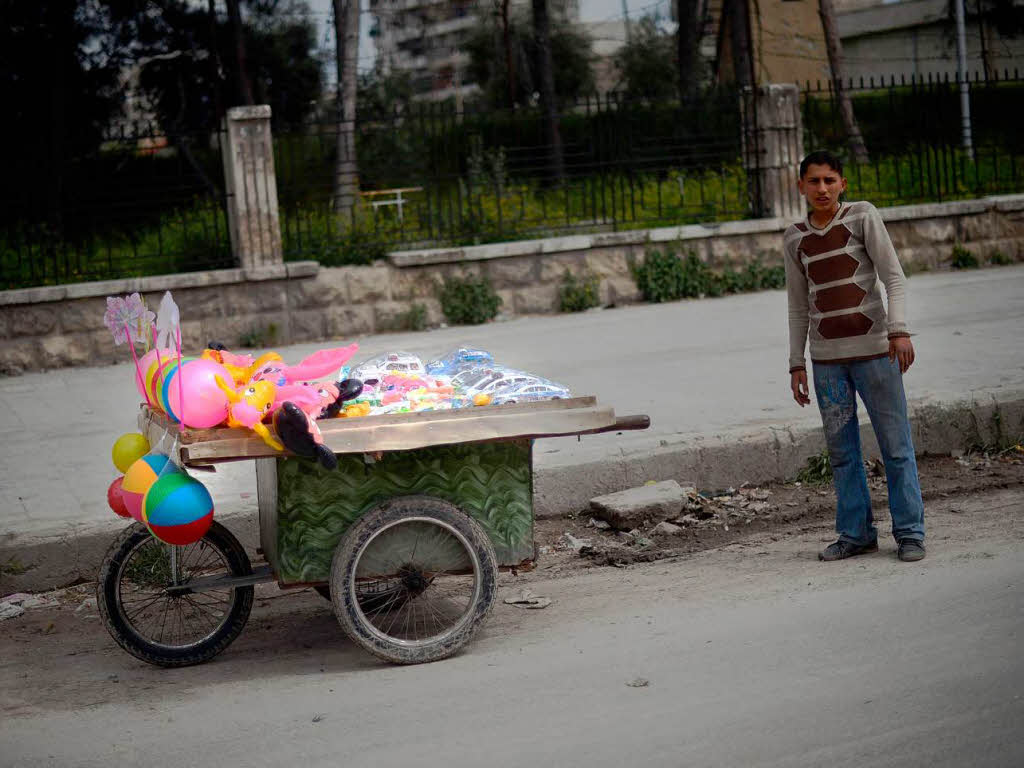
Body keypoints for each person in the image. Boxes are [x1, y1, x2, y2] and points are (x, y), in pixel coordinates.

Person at [784, 150, 926, 562]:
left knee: (896, 446)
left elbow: (893, 277)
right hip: (827, 363)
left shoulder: (863, 216)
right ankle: (855, 533)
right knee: (843, 453)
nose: (822, 189)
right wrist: (797, 362)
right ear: (801, 187)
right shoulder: (794, 237)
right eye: (814, 181)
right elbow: (797, 306)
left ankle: (910, 532)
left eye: (830, 180)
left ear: (842, 183)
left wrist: (898, 332)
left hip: (876, 354)